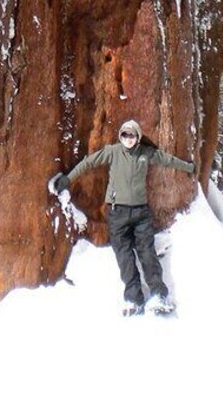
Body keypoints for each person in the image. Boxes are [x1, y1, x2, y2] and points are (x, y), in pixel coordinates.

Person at [52, 120, 195, 316]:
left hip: (140, 213)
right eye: (125, 135)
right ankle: (133, 298)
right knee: (124, 257)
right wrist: (68, 179)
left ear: (137, 137)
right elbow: (89, 162)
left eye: (132, 135)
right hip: (117, 213)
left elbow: (167, 160)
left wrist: (188, 167)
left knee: (147, 253)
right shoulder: (112, 151)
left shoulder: (145, 153)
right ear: (121, 136)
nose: (128, 139)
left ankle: (158, 295)